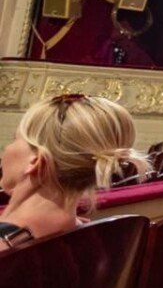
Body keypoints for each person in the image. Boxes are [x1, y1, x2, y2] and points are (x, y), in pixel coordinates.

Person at [0, 94, 148, 250]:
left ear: (35, 160)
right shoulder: (84, 237)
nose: (7, 149)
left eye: (15, 139)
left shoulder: (7, 245)